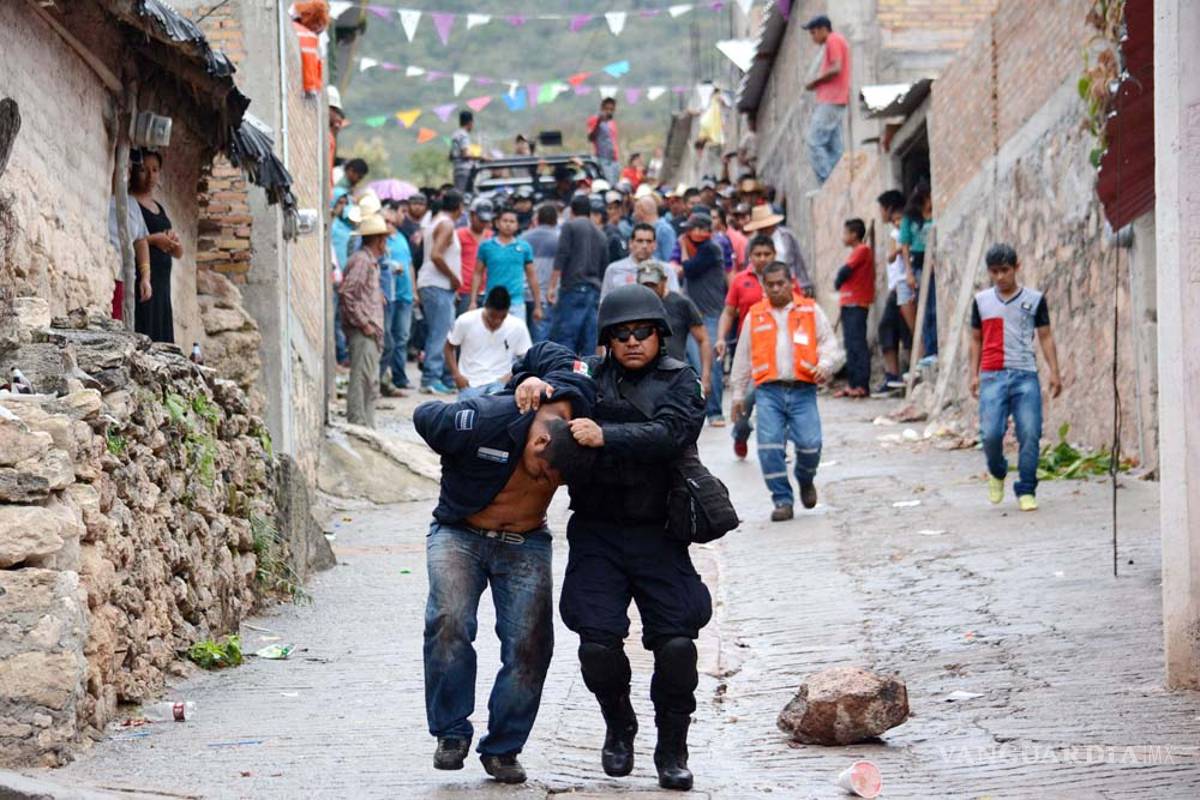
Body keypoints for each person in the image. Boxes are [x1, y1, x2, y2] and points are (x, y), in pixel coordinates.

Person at [513, 285, 710, 792]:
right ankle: (618, 725)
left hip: (659, 531)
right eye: (621, 335)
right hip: (598, 530)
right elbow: (538, 352)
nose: (632, 342)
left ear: (659, 335)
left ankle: (672, 746)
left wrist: (607, 434)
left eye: (642, 332)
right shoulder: (589, 380)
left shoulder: (680, 380)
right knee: (597, 646)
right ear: (607, 340)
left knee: (677, 647)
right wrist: (531, 378)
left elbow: (673, 433)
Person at [414, 343, 597, 785]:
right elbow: (424, 415)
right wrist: (511, 385)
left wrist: (543, 383)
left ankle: (503, 748)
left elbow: (563, 357)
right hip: (460, 533)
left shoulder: (579, 410)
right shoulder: (486, 420)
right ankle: (451, 733)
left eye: (555, 482)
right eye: (541, 472)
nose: (544, 482)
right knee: (450, 621)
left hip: (526, 542)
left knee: (531, 646)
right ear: (537, 441)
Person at [730, 261, 844, 521]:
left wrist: (825, 365)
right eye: (770, 285)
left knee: (810, 445)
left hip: (803, 390)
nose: (776, 289)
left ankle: (805, 479)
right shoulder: (755, 315)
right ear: (764, 286)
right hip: (768, 392)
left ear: (790, 282)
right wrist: (738, 395)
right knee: (769, 447)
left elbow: (829, 344)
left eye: (781, 283)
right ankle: (782, 500)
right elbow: (743, 358)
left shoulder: (810, 310)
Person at [969, 244, 1062, 512]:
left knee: (1030, 433)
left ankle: (1026, 488)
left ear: (1016, 268)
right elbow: (975, 339)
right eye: (994, 272)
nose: (1000, 277)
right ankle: (997, 471)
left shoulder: (1033, 300)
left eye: (1005, 270)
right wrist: (973, 374)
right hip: (991, 374)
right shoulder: (982, 301)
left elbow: (1045, 336)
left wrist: (1054, 371)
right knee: (990, 434)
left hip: (1025, 375)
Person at [715, 234, 778, 459]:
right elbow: (729, 312)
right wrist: (721, 338)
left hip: (779, 350)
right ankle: (741, 432)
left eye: (766, 254)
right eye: (757, 254)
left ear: (774, 255)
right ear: (750, 256)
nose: (762, 259)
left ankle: (777, 443)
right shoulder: (741, 280)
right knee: (747, 396)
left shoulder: (785, 280)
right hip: (749, 350)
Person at [675, 213, 728, 426]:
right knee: (696, 364)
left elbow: (688, 268)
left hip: (709, 315)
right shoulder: (703, 248)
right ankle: (702, 410)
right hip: (697, 315)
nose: (689, 233)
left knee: (710, 364)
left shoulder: (710, 249)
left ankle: (715, 411)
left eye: (693, 229)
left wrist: (684, 247)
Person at [339, 212, 388, 428]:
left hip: (370, 330)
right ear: (379, 240)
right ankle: (358, 423)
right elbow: (347, 293)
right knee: (362, 379)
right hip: (363, 330)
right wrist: (364, 322)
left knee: (370, 381)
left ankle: (367, 424)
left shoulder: (370, 262)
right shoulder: (362, 261)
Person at [130, 150, 183, 343]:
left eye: (155, 170)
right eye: (144, 170)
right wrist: (155, 239)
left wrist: (173, 242)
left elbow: (178, 252)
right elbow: (132, 237)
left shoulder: (159, 208)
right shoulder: (130, 203)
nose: (151, 176)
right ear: (134, 171)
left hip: (162, 282)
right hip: (143, 276)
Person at [445, 287, 533, 398]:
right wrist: (456, 375)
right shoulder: (465, 320)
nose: (497, 321)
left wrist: (511, 375)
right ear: (485, 307)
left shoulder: (518, 326)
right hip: (470, 383)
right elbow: (449, 346)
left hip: (500, 383)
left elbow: (527, 357)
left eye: (502, 317)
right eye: (493, 316)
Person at [639, 260, 710, 394]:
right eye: (645, 285)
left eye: (653, 285)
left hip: (674, 377)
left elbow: (703, 340)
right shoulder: (632, 305)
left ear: (664, 281)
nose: (649, 290)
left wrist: (705, 377)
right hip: (640, 377)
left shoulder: (681, 304)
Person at [548, 194, 607, 355]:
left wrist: (552, 287)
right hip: (594, 290)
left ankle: (565, 375)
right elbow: (604, 266)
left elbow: (561, 256)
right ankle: (587, 374)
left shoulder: (570, 226)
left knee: (566, 337)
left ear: (572, 210)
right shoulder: (600, 233)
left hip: (573, 288)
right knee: (589, 338)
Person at [418, 190, 464, 394]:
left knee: (445, 331)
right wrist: (454, 277)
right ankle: (431, 377)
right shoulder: (446, 224)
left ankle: (442, 377)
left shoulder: (435, 221)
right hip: (438, 284)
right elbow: (436, 255)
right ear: (460, 207)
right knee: (440, 333)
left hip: (437, 285)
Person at [802, 15, 851, 184]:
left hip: (831, 100)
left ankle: (828, 183)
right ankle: (840, 181)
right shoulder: (835, 41)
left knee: (814, 142)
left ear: (824, 29)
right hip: (836, 101)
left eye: (814, 32)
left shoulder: (833, 40)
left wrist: (814, 82)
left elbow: (836, 68)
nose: (812, 37)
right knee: (834, 148)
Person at [472, 208, 540, 326]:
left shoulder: (524, 247)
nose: (508, 224)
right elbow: (477, 273)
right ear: (497, 223)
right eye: (505, 221)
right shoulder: (486, 246)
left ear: (517, 225)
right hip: (491, 302)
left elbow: (532, 276)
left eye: (512, 221)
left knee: (516, 340)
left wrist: (538, 305)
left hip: (516, 303)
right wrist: (472, 301)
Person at [107, 163, 153, 322]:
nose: (124, 174)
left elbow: (141, 241)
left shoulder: (132, 204)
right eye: (122, 167)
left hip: (124, 278)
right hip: (104, 274)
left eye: (128, 169)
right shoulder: (101, 197)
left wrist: (145, 277)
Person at [834, 218, 874, 398]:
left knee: (857, 344)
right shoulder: (856, 251)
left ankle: (862, 384)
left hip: (857, 302)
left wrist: (838, 281)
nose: (843, 237)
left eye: (845, 233)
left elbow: (845, 271)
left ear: (854, 234)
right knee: (850, 344)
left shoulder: (862, 250)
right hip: (849, 302)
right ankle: (853, 383)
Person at [875, 190, 910, 392]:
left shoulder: (898, 233)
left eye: (881, 208)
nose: (880, 213)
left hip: (900, 286)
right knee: (894, 329)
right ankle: (894, 376)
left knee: (888, 327)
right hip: (897, 286)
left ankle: (894, 375)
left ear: (888, 209)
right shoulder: (896, 231)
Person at [899, 181, 936, 365]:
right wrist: (909, 273)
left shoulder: (936, 214)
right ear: (924, 198)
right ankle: (930, 350)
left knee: (934, 307)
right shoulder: (909, 218)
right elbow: (904, 246)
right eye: (930, 197)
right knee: (926, 309)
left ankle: (934, 348)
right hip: (919, 263)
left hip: (936, 263)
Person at [741, 204, 812, 294]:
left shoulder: (787, 237)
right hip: (763, 285)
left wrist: (804, 284)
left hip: (788, 282)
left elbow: (798, 261)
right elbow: (748, 266)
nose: (764, 229)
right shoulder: (752, 243)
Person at [383, 201, 416, 394]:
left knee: (402, 337)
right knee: (389, 339)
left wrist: (414, 290)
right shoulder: (381, 240)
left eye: (390, 219)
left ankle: (400, 376)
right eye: (385, 220)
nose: (389, 223)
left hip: (404, 294)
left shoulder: (401, 238)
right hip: (389, 296)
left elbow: (410, 264)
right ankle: (386, 379)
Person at [602, 223, 681, 299]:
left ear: (655, 245)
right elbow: (604, 303)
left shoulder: (666, 270)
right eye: (640, 241)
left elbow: (674, 302)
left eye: (649, 241)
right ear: (631, 243)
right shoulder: (614, 270)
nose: (644, 246)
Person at [522, 204, 559, 343]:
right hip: (545, 297)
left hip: (522, 295)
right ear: (555, 221)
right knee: (540, 341)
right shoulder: (558, 239)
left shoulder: (523, 237)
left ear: (538, 219)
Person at [458, 198, 494, 316]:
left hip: (487, 289)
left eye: (486, 221)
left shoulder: (491, 237)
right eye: (480, 220)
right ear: (472, 215)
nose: (483, 224)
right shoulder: (459, 235)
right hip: (464, 290)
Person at [632, 194, 677, 264]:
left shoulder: (664, 230)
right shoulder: (639, 229)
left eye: (635, 210)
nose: (634, 214)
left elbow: (670, 260)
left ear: (642, 210)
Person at [588, 97, 621, 184]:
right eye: (607, 109)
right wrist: (598, 122)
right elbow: (591, 138)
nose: (609, 111)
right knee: (610, 184)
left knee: (616, 183)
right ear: (602, 108)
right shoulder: (595, 119)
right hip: (603, 158)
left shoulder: (612, 122)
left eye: (611, 109)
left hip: (614, 158)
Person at [450, 110, 482, 192]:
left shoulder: (455, 134)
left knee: (458, 192)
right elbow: (465, 154)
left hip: (456, 169)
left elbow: (451, 155)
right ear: (470, 123)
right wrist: (481, 157)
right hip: (464, 170)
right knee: (463, 195)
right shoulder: (464, 135)